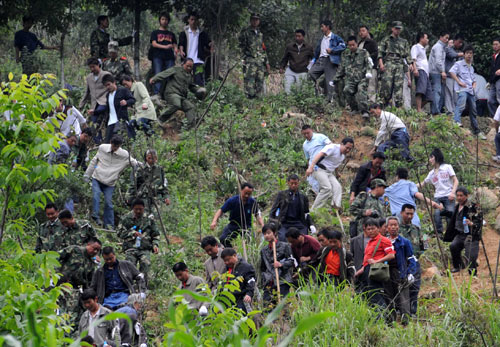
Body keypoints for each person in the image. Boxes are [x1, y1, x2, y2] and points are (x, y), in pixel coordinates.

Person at [84, 135, 140, 228]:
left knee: (108, 203)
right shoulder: (102, 148)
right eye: (114, 145)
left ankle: (109, 225)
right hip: (97, 178)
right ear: (110, 142)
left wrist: (143, 166)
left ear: (120, 146)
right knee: (96, 195)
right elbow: (94, 161)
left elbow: (135, 163)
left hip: (110, 183)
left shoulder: (125, 154)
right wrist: (87, 175)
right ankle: (95, 217)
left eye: (117, 147)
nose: (115, 148)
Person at [354, 218, 396, 311]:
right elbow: (367, 260)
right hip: (367, 270)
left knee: (375, 294)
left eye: (373, 228)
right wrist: (361, 270)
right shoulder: (370, 241)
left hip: (375, 271)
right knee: (368, 294)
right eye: (368, 229)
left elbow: (391, 255)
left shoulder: (383, 240)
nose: (370, 231)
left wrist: (376, 261)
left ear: (378, 228)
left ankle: (382, 318)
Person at [149, 58, 206, 127]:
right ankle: (160, 119)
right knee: (176, 104)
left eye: (190, 67)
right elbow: (164, 73)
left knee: (190, 107)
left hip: (181, 97)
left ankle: (191, 127)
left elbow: (191, 86)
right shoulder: (176, 69)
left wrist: (199, 90)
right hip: (172, 93)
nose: (189, 68)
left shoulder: (189, 76)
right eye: (187, 66)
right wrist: (155, 79)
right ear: (183, 64)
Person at [57, 238, 102, 323]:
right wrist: (56, 275)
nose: (95, 251)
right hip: (61, 282)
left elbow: (89, 281)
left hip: (76, 289)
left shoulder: (91, 263)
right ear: (88, 245)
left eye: (98, 250)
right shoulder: (75, 250)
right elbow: (56, 257)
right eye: (94, 248)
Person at [442, 187, 483, 275]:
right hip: (460, 234)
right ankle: (458, 266)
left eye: (461, 195)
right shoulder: (457, 206)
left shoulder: (474, 206)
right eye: (457, 195)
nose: (459, 197)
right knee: (453, 246)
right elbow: (454, 217)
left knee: (470, 255)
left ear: (466, 196)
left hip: (471, 235)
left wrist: (471, 224)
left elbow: (479, 220)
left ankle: (472, 274)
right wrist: (443, 211)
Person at [306, 138, 354, 210]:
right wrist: (311, 167)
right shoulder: (333, 147)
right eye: (346, 148)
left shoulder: (342, 156)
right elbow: (320, 154)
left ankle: (335, 207)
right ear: (342, 144)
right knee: (327, 188)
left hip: (329, 172)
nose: (347, 150)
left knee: (337, 187)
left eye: (350, 149)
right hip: (318, 169)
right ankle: (314, 210)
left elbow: (335, 165)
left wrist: (337, 173)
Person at [117, 199, 159, 281]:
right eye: (136, 209)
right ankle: (129, 287)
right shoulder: (126, 218)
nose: (138, 211)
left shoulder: (149, 219)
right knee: (129, 267)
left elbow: (155, 234)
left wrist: (155, 245)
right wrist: (132, 233)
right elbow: (119, 232)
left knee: (145, 264)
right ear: (133, 208)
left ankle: (143, 288)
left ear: (144, 208)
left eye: (141, 209)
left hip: (144, 248)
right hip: (130, 248)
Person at [210, 182, 264, 247]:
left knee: (251, 242)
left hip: (246, 225)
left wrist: (262, 225)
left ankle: (247, 255)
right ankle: (231, 253)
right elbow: (221, 210)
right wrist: (214, 221)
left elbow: (257, 214)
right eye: (245, 193)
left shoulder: (252, 202)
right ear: (241, 190)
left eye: (249, 194)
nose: (247, 196)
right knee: (223, 239)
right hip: (233, 224)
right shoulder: (232, 200)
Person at [418, 148, 458, 235]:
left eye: (431, 157)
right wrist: (410, 185)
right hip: (438, 197)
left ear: (436, 157)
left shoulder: (447, 167)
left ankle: (450, 234)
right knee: (437, 214)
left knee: (449, 215)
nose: (430, 160)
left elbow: (455, 180)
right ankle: (439, 234)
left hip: (448, 195)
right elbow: (423, 184)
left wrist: (453, 192)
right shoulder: (431, 173)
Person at [449, 46, 486, 139]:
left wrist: (474, 84)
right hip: (462, 89)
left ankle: (476, 131)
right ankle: (456, 121)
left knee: (473, 110)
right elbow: (451, 72)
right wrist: (459, 81)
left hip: (470, 90)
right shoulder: (459, 64)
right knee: (461, 104)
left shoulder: (472, 67)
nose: (469, 55)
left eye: (471, 53)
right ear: (464, 54)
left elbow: (473, 79)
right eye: (467, 53)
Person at [386, 217, 418, 323]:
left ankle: (406, 320)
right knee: (389, 295)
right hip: (387, 272)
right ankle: (391, 320)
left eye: (395, 225)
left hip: (401, 272)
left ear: (398, 227)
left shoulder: (404, 242)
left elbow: (411, 258)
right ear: (387, 228)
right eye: (391, 225)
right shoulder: (384, 242)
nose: (393, 227)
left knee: (404, 297)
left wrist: (410, 273)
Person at [334, 36, 372, 118]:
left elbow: (369, 63)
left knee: (361, 89)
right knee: (347, 90)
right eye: (349, 45)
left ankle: (365, 111)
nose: (351, 47)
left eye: (353, 45)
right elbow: (342, 68)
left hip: (362, 78)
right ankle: (354, 108)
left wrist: (368, 73)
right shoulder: (346, 54)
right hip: (351, 79)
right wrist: (335, 79)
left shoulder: (363, 52)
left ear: (357, 44)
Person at [378, 21, 413, 108]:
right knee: (387, 87)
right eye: (396, 28)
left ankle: (398, 109)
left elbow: (407, 54)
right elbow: (380, 54)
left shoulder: (404, 41)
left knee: (398, 88)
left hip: (399, 64)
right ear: (392, 28)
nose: (398, 30)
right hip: (389, 63)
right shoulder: (386, 40)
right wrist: (381, 64)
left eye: (399, 29)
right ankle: (383, 108)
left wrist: (411, 64)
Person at [309, 19, 346, 101]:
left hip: (330, 60)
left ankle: (330, 100)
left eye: (322, 26)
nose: (321, 28)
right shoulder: (321, 39)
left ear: (327, 27)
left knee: (330, 81)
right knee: (311, 74)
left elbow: (343, 46)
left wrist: (332, 50)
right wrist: (312, 62)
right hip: (321, 60)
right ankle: (314, 96)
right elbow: (317, 52)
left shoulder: (335, 37)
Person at [79, 58, 112, 144]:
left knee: (102, 120)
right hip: (94, 104)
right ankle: (98, 142)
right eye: (90, 67)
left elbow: (112, 87)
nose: (92, 69)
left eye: (93, 67)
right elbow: (87, 92)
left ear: (98, 65)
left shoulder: (106, 74)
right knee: (94, 124)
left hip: (104, 101)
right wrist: (81, 105)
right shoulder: (89, 77)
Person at [269, 174, 310, 241]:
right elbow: (273, 210)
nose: (293, 185)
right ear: (288, 183)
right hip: (284, 223)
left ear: (298, 183)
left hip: (299, 223)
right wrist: (272, 223)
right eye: (292, 183)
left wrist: (310, 224)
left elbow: (306, 213)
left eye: (295, 183)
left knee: (303, 239)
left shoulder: (303, 197)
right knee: (283, 239)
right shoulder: (282, 195)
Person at [260, 223, 294, 303]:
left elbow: (291, 261)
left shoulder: (285, 246)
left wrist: (281, 264)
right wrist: (264, 278)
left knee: (283, 304)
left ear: (274, 233)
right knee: (267, 305)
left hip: (282, 279)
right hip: (269, 281)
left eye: (268, 233)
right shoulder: (264, 250)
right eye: (264, 234)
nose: (266, 236)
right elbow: (263, 267)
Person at [239, 13, 270, 99]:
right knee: (249, 83)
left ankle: (257, 103)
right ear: (250, 20)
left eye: (257, 20)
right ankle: (249, 102)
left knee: (260, 82)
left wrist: (267, 63)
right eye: (253, 19)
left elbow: (263, 49)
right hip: (250, 61)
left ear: (259, 21)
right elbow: (241, 47)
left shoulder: (260, 34)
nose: (255, 21)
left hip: (260, 62)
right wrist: (243, 59)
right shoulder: (245, 33)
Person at [178, 12, 212, 86]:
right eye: (192, 19)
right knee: (185, 79)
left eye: (195, 20)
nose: (193, 22)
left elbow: (208, 43)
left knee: (199, 80)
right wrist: (181, 51)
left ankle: (200, 95)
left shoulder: (202, 34)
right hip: (187, 60)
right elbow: (181, 44)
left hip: (199, 60)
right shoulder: (184, 33)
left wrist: (212, 45)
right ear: (188, 20)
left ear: (198, 21)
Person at [149, 12, 178, 95]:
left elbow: (175, 45)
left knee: (170, 75)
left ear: (168, 21)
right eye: (163, 19)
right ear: (160, 21)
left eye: (166, 19)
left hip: (169, 57)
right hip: (157, 56)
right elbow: (154, 44)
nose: (164, 21)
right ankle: (156, 94)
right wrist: (165, 47)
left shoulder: (171, 34)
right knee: (158, 75)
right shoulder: (155, 33)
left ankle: (169, 94)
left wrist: (176, 51)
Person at [221, 248, 256, 313]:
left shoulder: (246, 267)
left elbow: (251, 282)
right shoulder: (226, 269)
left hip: (241, 299)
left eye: (228, 260)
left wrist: (249, 294)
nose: (226, 262)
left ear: (234, 256)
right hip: (228, 300)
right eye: (224, 261)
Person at [102, 74, 136, 142]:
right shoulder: (108, 95)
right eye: (106, 86)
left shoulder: (122, 90)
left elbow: (132, 100)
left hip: (120, 120)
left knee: (118, 140)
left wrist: (126, 102)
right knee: (107, 143)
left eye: (109, 84)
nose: (107, 87)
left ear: (114, 82)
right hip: (110, 122)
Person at [279, 29, 314, 94]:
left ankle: (298, 103)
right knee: (287, 90)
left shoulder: (309, 47)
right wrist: (282, 67)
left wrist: (310, 68)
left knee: (300, 92)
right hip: (291, 70)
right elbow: (285, 58)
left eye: (299, 36)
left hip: (303, 71)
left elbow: (313, 59)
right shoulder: (290, 47)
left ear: (303, 37)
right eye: (296, 36)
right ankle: (288, 102)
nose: (297, 38)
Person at [301, 124, 332, 192]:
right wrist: (309, 168)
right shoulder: (305, 145)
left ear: (311, 130)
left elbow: (330, 146)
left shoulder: (320, 137)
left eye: (308, 133)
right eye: (304, 134)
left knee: (324, 186)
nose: (306, 135)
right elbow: (308, 158)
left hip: (322, 166)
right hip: (312, 167)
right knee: (312, 186)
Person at [428, 31, 450, 115]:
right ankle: (435, 111)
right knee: (436, 91)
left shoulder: (442, 47)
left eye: (448, 38)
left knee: (439, 92)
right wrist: (442, 71)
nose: (447, 40)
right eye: (446, 37)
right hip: (435, 72)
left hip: (437, 72)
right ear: (441, 37)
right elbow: (438, 61)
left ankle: (437, 110)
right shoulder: (438, 47)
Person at [411, 32, 432, 113]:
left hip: (426, 73)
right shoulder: (416, 47)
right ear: (421, 38)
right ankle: (419, 110)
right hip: (420, 70)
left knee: (429, 95)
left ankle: (418, 109)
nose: (427, 40)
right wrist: (415, 69)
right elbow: (414, 59)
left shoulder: (423, 49)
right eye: (426, 38)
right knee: (420, 90)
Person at [444, 34, 465, 114]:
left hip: (457, 77)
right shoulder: (449, 49)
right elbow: (452, 55)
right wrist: (463, 54)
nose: (460, 44)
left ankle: (455, 111)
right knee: (449, 93)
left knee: (456, 94)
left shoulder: (460, 51)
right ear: (454, 41)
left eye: (461, 43)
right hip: (449, 75)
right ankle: (449, 111)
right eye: (459, 42)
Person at [358, 25, 378, 102]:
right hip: (361, 69)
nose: (361, 33)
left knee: (371, 86)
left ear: (367, 32)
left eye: (363, 31)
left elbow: (376, 53)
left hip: (371, 68)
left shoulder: (372, 42)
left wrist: (367, 58)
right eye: (360, 31)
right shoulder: (360, 43)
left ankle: (372, 103)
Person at [350, 222, 370, 293]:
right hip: (358, 269)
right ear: (364, 227)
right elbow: (351, 255)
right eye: (369, 228)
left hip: (371, 270)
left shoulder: (377, 240)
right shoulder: (354, 240)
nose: (370, 231)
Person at [487, 38, 500, 116]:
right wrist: (489, 81)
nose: (494, 46)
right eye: (493, 44)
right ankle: (495, 118)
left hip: (499, 79)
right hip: (493, 80)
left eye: (496, 44)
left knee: (499, 99)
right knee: (490, 101)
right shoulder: (494, 56)